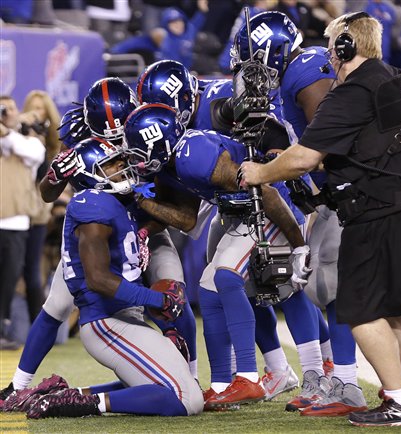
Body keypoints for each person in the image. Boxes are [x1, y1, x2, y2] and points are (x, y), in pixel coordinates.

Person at [240, 11, 401, 427]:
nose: (328, 52)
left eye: (333, 43)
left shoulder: (351, 92)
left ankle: (399, 400)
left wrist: (259, 172)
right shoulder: (396, 78)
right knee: (397, 310)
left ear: (345, 47)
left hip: (386, 211)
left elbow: (304, 158)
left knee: (360, 310)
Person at [123, 103, 311, 409]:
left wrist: (299, 243)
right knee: (208, 291)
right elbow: (186, 219)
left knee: (224, 275)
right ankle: (223, 384)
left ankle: (248, 378)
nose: (137, 159)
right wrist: (141, 202)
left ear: (159, 142)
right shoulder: (172, 165)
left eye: (140, 150)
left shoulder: (193, 156)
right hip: (242, 212)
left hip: (270, 208)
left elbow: (266, 191)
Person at [233, 10, 366, 416]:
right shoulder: (301, 69)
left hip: (349, 194)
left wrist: (282, 166)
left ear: (272, 52)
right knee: (326, 288)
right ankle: (349, 380)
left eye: (257, 60)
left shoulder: (305, 71)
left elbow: (330, 140)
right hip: (337, 196)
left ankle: (348, 384)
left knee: (334, 287)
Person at [17, 138, 203, 419]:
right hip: (107, 322)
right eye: (112, 164)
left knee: (185, 389)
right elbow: (98, 280)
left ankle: (74, 395)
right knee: (186, 400)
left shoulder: (113, 198)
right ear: (90, 173)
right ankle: (80, 405)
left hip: (124, 318)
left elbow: (162, 209)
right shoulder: (92, 206)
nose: (122, 166)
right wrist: (158, 299)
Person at [0, 95, 46, 350]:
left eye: (10, 107)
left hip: (16, 223)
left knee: (9, 280)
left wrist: (6, 128)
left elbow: (25, 150)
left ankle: (3, 328)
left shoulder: (30, 143)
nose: (6, 111)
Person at [19, 90, 61, 324]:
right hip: (15, 210)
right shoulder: (18, 135)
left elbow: (46, 177)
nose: (36, 112)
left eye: (41, 108)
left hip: (39, 211)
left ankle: (38, 324)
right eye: (32, 107)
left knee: (34, 270)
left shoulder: (52, 143)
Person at [110, 1, 208, 69]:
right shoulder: (161, 36)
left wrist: (202, 10)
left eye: (179, 21)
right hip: (166, 74)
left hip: (187, 72)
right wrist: (114, 50)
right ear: (166, 25)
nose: (177, 25)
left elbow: (198, 20)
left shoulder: (189, 32)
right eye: (173, 23)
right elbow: (136, 42)